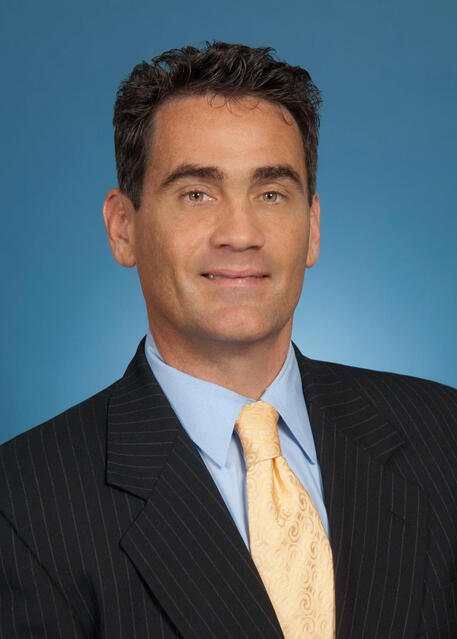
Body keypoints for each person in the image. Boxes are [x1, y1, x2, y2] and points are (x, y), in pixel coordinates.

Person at [0, 42, 456, 639]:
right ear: (123, 228)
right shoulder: (23, 502)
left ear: (312, 227)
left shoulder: (444, 434)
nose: (240, 234)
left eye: (271, 194)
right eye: (197, 193)